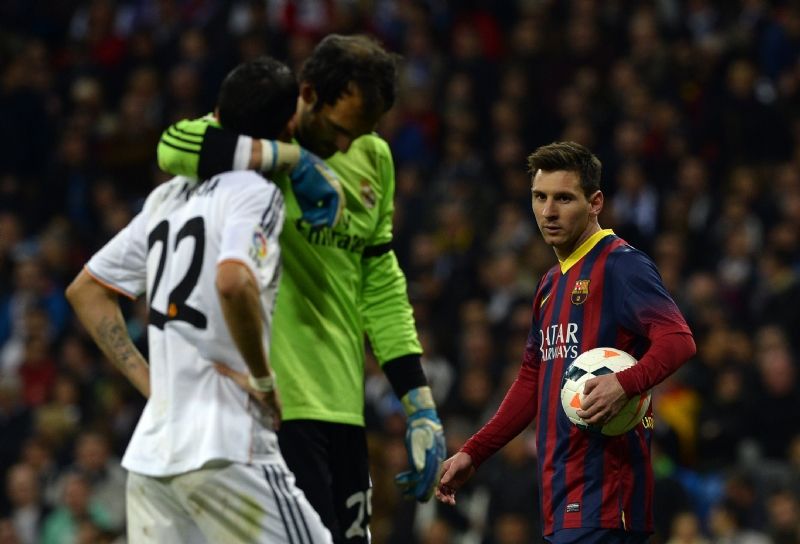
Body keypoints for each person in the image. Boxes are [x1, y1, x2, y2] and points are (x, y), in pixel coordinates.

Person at [155, 34, 446, 543]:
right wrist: (293, 159)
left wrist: (418, 403)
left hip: (342, 403)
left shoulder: (374, 158)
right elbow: (172, 147)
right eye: (338, 130)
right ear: (307, 94)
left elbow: (379, 284)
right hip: (272, 404)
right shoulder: (254, 137)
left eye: (360, 134)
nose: (345, 147)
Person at [65, 56, 333, 543]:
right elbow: (233, 281)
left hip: (152, 460)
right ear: (288, 127)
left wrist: (153, 387)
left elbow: (87, 290)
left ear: (218, 115)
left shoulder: (166, 198)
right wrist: (263, 378)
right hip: (226, 445)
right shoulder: (255, 192)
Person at [435, 142, 697, 543]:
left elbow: (678, 340)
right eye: (539, 197)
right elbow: (532, 381)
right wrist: (475, 451)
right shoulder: (548, 284)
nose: (548, 212)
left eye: (563, 198)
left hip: (606, 495)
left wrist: (624, 383)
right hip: (561, 497)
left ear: (595, 203)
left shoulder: (621, 264)